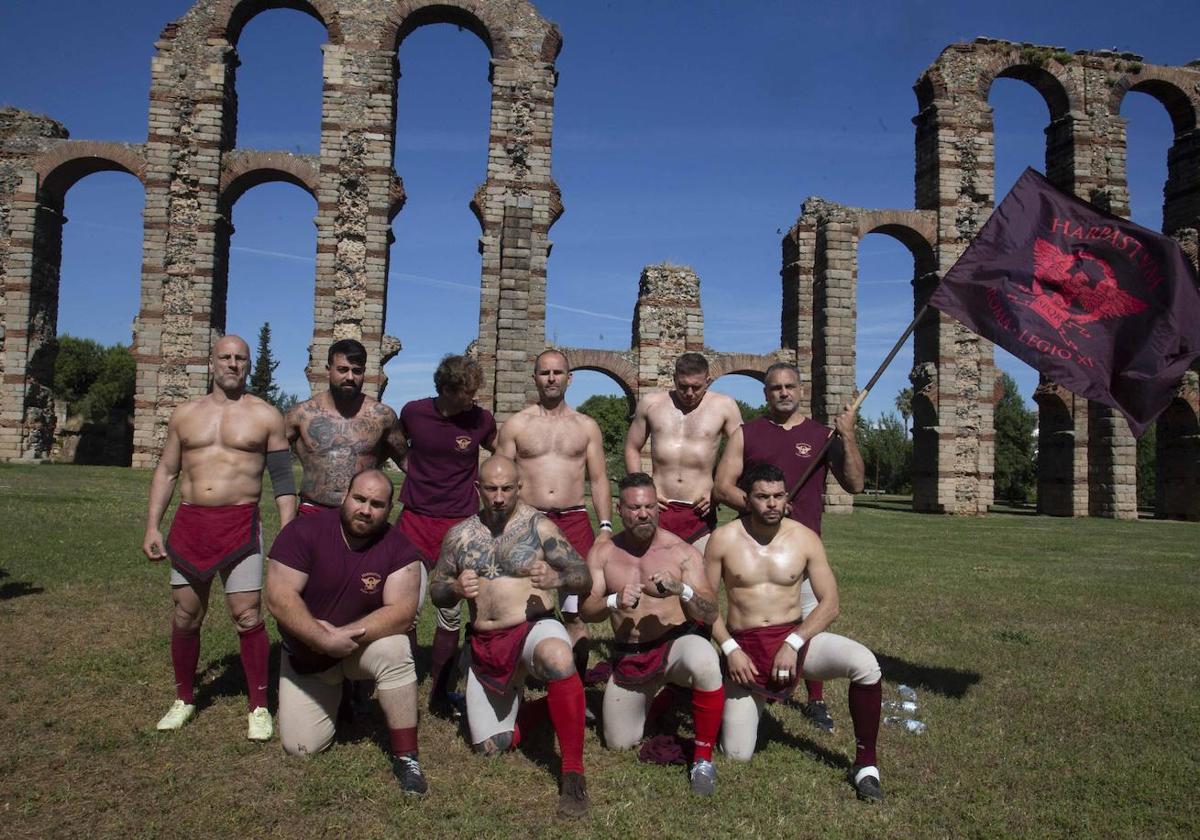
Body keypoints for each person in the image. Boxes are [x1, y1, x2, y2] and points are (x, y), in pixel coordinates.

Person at [142, 334, 298, 740]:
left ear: (248, 364)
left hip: (240, 523)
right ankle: (184, 697)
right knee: (186, 615)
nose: (233, 364)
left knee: (248, 616)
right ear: (212, 363)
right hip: (191, 523)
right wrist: (152, 525)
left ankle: (259, 705)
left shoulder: (266, 415)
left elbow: (282, 480)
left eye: (240, 358)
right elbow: (167, 471)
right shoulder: (185, 414)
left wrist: (288, 531)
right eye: (225, 357)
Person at [705, 463, 884, 802]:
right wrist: (729, 649)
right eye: (762, 497)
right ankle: (741, 698)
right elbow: (705, 604)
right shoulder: (724, 540)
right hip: (745, 652)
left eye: (778, 496)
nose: (771, 503)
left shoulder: (804, 538)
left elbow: (830, 604)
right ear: (747, 498)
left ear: (786, 497)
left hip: (793, 641)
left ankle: (866, 765)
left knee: (865, 664)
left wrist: (794, 641)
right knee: (738, 754)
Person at [430, 456, 593, 818]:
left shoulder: (539, 527)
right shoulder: (459, 536)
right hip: (485, 643)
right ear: (478, 489)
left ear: (519, 488)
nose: (499, 497)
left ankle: (573, 775)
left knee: (558, 656)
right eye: (491, 489)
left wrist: (558, 579)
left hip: (533, 627)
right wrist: (455, 588)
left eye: (507, 488)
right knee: (491, 748)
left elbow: (584, 575)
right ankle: (547, 710)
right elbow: (436, 591)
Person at [713, 360, 864, 732]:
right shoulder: (748, 433)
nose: (783, 392)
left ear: (800, 391)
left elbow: (855, 484)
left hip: (803, 550)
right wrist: (762, 506)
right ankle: (746, 685)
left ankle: (815, 700)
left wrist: (847, 436)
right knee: (753, 622)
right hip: (755, 547)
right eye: (776, 387)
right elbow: (722, 485)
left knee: (810, 625)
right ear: (765, 394)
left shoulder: (822, 435)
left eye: (790, 387)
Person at [265, 469, 428, 794]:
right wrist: (319, 637)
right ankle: (338, 696)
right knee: (302, 748)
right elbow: (279, 597)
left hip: (359, 647)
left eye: (377, 504)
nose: (366, 510)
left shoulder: (399, 546)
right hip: (309, 653)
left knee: (397, 648)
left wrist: (342, 635)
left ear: (389, 510)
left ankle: (406, 756)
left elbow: (401, 612)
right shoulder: (303, 531)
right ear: (344, 497)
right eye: (360, 499)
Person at [578, 472, 724, 796]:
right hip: (631, 655)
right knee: (619, 743)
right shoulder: (603, 553)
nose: (643, 514)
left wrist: (680, 589)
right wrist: (614, 600)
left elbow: (711, 612)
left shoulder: (681, 551)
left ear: (657, 508)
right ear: (619, 509)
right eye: (634, 508)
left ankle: (703, 760)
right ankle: (666, 697)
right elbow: (586, 610)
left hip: (675, 645)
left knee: (704, 660)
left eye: (648, 507)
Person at [495, 349, 612, 679]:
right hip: (528, 520)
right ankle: (517, 672)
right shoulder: (517, 425)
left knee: (575, 608)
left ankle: (573, 682)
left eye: (557, 373)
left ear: (569, 378)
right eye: (544, 373)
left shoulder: (586, 426)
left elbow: (599, 478)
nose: (551, 378)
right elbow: (500, 475)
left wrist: (604, 526)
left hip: (573, 519)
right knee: (518, 602)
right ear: (534, 377)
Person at [394, 354, 497, 717]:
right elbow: (393, 442)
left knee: (450, 612)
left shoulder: (482, 420)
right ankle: (400, 679)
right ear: (446, 389)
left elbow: (501, 454)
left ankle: (440, 690)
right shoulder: (413, 412)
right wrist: (413, 471)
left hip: (459, 528)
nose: (473, 398)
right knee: (404, 609)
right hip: (415, 522)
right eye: (467, 392)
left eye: (475, 391)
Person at [623, 353, 742, 551]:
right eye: (682, 385)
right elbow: (632, 447)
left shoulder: (724, 406)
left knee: (698, 579)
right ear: (674, 379)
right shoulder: (652, 403)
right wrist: (642, 490)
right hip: (659, 507)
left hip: (700, 508)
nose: (689, 393)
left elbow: (743, 452)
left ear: (708, 381)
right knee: (652, 576)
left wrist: (720, 491)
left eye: (696, 387)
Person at [285, 338, 405, 516]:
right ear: (328, 370)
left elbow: (407, 462)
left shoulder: (382, 416)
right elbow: (269, 457)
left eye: (357, 371)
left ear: (364, 372)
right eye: (342, 370)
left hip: (361, 515)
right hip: (312, 510)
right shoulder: (302, 414)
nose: (350, 377)